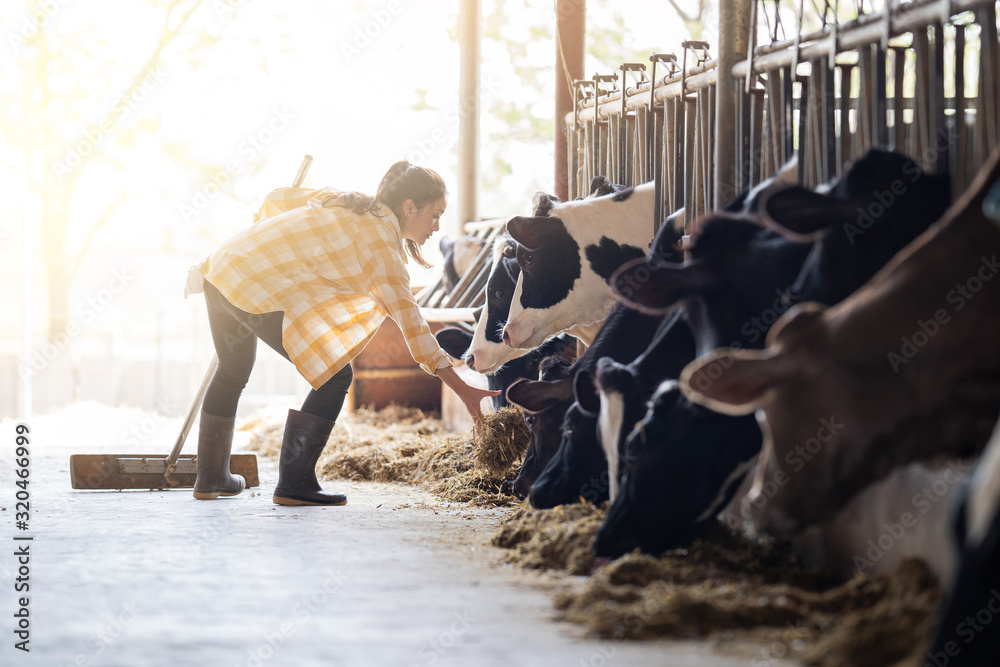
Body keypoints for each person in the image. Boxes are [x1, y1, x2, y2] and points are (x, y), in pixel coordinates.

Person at [185, 160, 499, 506]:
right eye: (435, 214)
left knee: (231, 371)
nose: (437, 226)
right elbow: (415, 330)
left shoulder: (348, 201)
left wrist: (261, 236)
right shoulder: (384, 253)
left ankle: (212, 479)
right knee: (337, 376)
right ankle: (294, 484)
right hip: (251, 286)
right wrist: (464, 389)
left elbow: (279, 198)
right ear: (410, 207)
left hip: (220, 267)